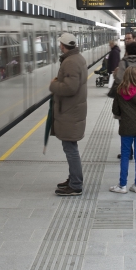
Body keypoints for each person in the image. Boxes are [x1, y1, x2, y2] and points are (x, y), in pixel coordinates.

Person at [51, 32, 88, 197]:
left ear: (63, 45)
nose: (59, 46)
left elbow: (70, 88)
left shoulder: (71, 62)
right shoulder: (77, 58)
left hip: (69, 111)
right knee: (70, 148)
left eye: (60, 44)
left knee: (70, 149)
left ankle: (75, 184)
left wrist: (54, 85)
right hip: (73, 110)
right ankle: (73, 179)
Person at [109, 65, 136, 194]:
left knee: (125, 155)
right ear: (135, 77)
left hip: (126, 128)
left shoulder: (119, 91)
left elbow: (115, 110)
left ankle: (122, 185)